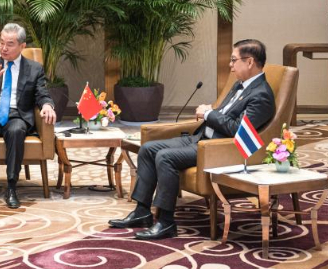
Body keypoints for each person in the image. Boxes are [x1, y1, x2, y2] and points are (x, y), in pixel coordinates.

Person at [109, 39, 275, 240]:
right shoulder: (240, 85)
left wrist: (209, 114)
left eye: (234, 60)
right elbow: (226, 114)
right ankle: (142, 211)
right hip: (201, 138)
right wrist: (212, 111)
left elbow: (237, 130)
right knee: (148, 149)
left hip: (218, 149)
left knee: (165, 157)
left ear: (249, 62)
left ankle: (166, 222)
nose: (230, 65)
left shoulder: (261, 95)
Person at [0, 23, 56, 210]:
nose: (4, 48)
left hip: (17, 115)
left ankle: (12, 187)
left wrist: (47, 105)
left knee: (16, 130)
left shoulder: (34, 69)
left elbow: (42, 94)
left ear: (22, 46)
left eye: (10, 44)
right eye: (1, 43)